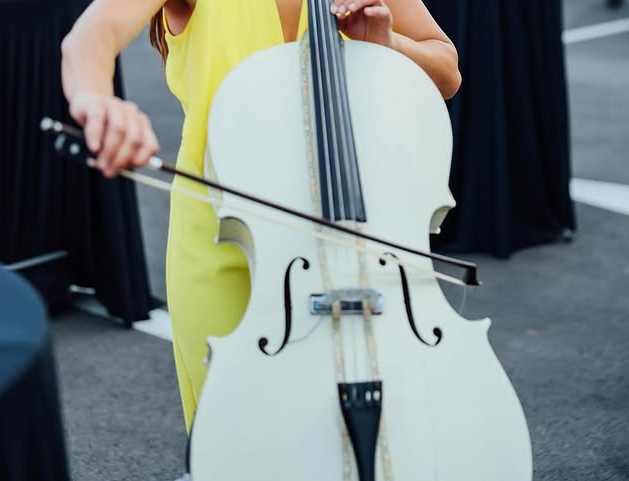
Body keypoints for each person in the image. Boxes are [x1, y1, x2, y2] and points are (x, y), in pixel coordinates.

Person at [61, 0, 461, 431]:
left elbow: (447, 72)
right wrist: (95, 99)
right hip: (226, 241)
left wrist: (389, 44)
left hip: (353, 232)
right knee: (242, 437)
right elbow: (92, 35)